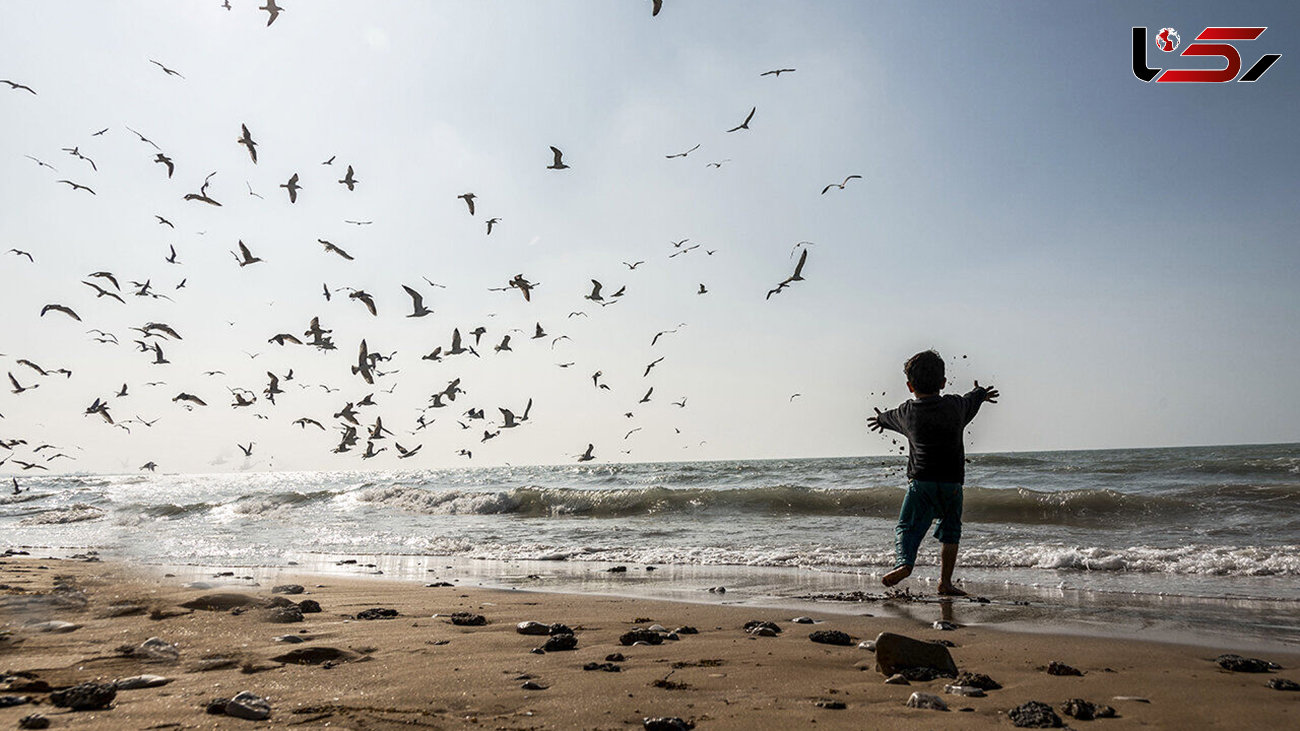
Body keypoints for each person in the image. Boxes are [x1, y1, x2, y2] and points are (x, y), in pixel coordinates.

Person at [867, 350, 999, 596]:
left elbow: (887, 417)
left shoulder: (907, 412)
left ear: (909, 386)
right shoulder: (956, 406)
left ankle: (904, 563)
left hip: (921, 483)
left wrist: (880, 419)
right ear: (943, 383)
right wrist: (981, 393)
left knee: (906, 527)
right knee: (951, 533)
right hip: (952, 484)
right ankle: (945, 583)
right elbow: (972, 398)